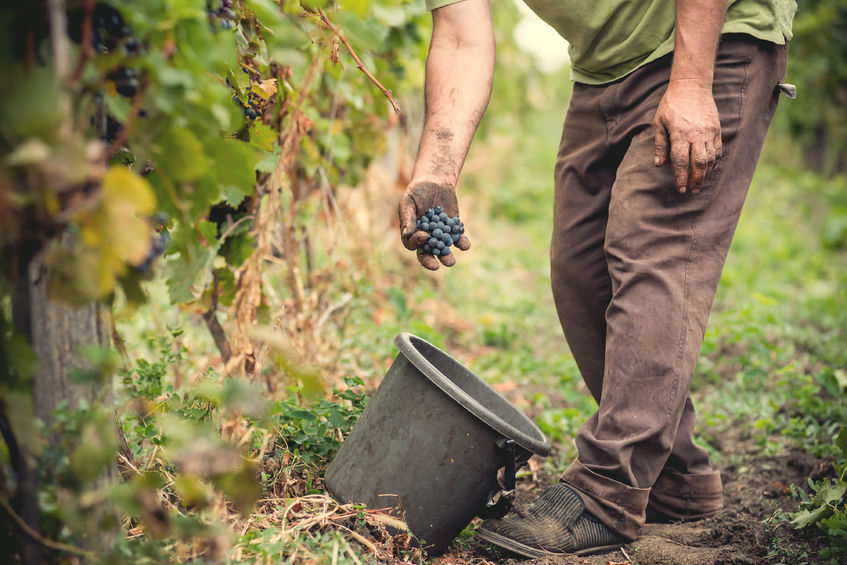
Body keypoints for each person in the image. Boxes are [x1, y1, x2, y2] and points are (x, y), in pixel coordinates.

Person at [397, 0, 796, 558]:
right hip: (603, 70)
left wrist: (689, 80)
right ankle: (674, 483)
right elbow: (462, 38)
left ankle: (610, 489)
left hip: (709, 43)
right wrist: (437, 169)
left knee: (652, 247)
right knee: (579, 271)